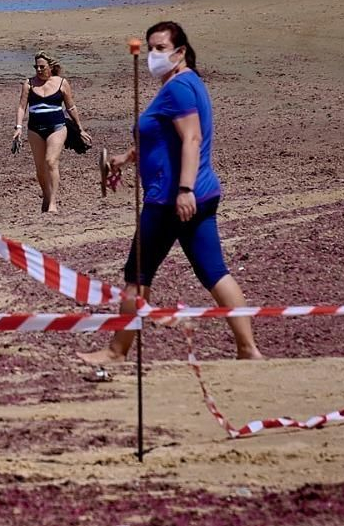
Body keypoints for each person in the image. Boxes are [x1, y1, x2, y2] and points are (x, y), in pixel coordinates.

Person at [79, 22, 263, 366]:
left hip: (169, 200)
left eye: (160, 48)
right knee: (215, 272)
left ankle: (116, 352)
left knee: (137, 275)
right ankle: (248, 350)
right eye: (150, 47)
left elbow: (191, 139)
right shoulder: (185, 83)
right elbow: (164, 140)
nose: (153, 55)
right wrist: (125, 158)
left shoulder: (177, 89)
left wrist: (183, 190)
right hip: (200, 194)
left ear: (179, 52)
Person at [13, 50, 89, 214]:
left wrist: (80, 128)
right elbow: (21, 107)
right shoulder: (29, 83)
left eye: (42, 67)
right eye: (36, 67)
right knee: (40, 169)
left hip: (57, 127)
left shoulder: (62, 83)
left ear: (50, 67)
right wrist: (18, 128)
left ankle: (53, 203)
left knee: (51, 162)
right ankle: (46, 197)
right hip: (34, 129)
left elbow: (71, 107)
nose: (39, 70)